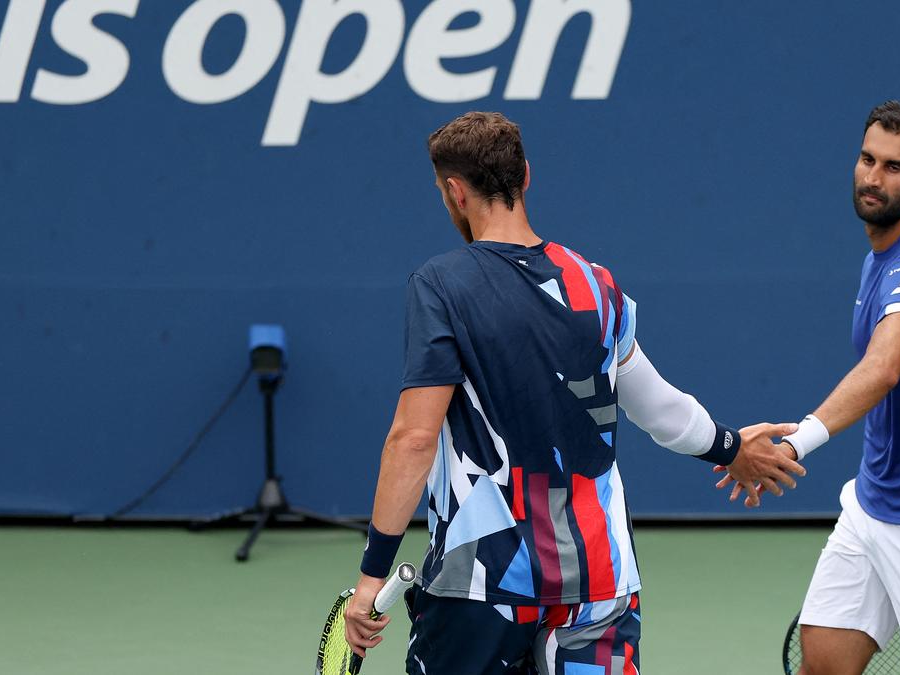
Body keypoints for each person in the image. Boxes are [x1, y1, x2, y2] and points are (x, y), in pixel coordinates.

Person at [343, 111, 804, 674]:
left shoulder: (440, 286)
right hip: (600, 583)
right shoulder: (597, 284)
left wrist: (372, 574)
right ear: (526, 177)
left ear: (455, 192)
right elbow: (662, 411)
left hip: (483, 584)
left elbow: (414, 439)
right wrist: (733, 448)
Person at [722, 101, 900, 674]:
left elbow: (883, 368)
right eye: (867, 159)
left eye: (894, 167)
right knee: (821, 667)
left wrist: (797, 442)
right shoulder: (881, 255)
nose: (873, 177)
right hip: (872, 510)